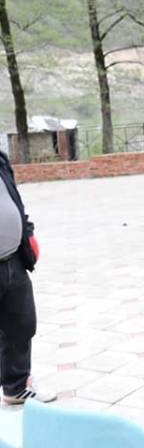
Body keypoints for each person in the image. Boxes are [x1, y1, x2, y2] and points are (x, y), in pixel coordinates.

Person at [0, 150, 54, 405]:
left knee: (22, 324)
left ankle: (16, 386)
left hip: (13, 259)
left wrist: (27, 232)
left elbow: (15, 202)